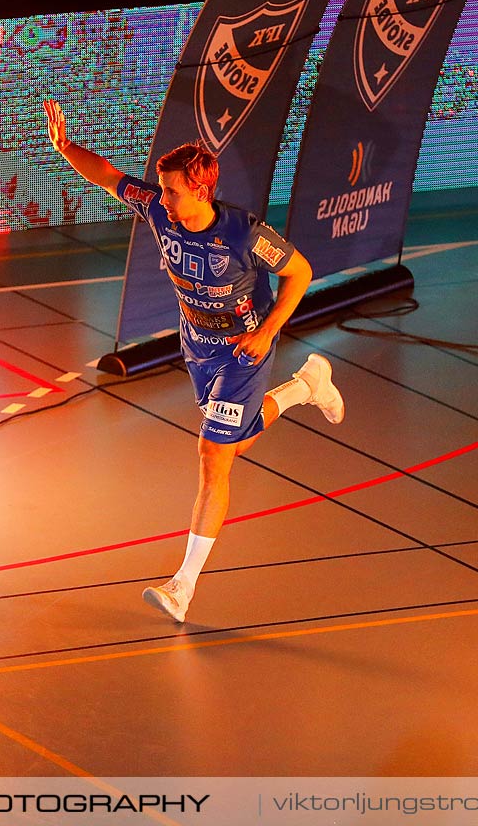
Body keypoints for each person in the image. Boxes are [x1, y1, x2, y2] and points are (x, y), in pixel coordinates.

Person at [41, 101, 344, 623]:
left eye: (174, 190)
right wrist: (67, 148)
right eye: (162, 188)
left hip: (244, 347)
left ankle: (183, 586)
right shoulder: (158, 209)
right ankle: (304, 387)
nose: (164, 198)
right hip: (196, 343)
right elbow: (110, 176)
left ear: (201, 191)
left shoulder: (244, 232)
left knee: (212, 455)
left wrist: (269, 331)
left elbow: (301, 272)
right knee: (237, 440)